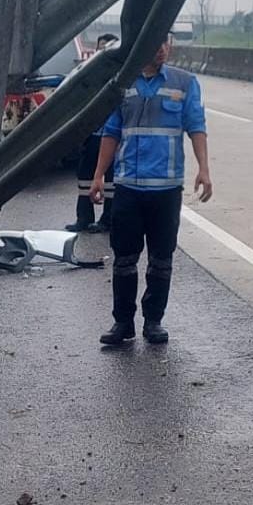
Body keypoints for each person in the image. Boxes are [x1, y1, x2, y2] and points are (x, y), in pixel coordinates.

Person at [89, 37, 212, 346]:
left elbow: (196, 126)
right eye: (155, 42)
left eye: (165, 43)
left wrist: (204, 169)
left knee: (161, 259)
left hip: (166, 189)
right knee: (124, 259)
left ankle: (153, 321)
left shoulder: (184, 83)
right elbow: (111, 133)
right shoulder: (123, 84)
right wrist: (98, 176)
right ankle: (123, 322)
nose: (160, 48)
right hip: (129, 187)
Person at [68, 33, 121, 233]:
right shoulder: (90, 76)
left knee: (111, 181)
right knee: (84, 176)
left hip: (111, 137)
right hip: (92, 136)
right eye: (101, 48)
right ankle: (84, 218)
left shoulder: (121, 75)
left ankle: (108, 220)